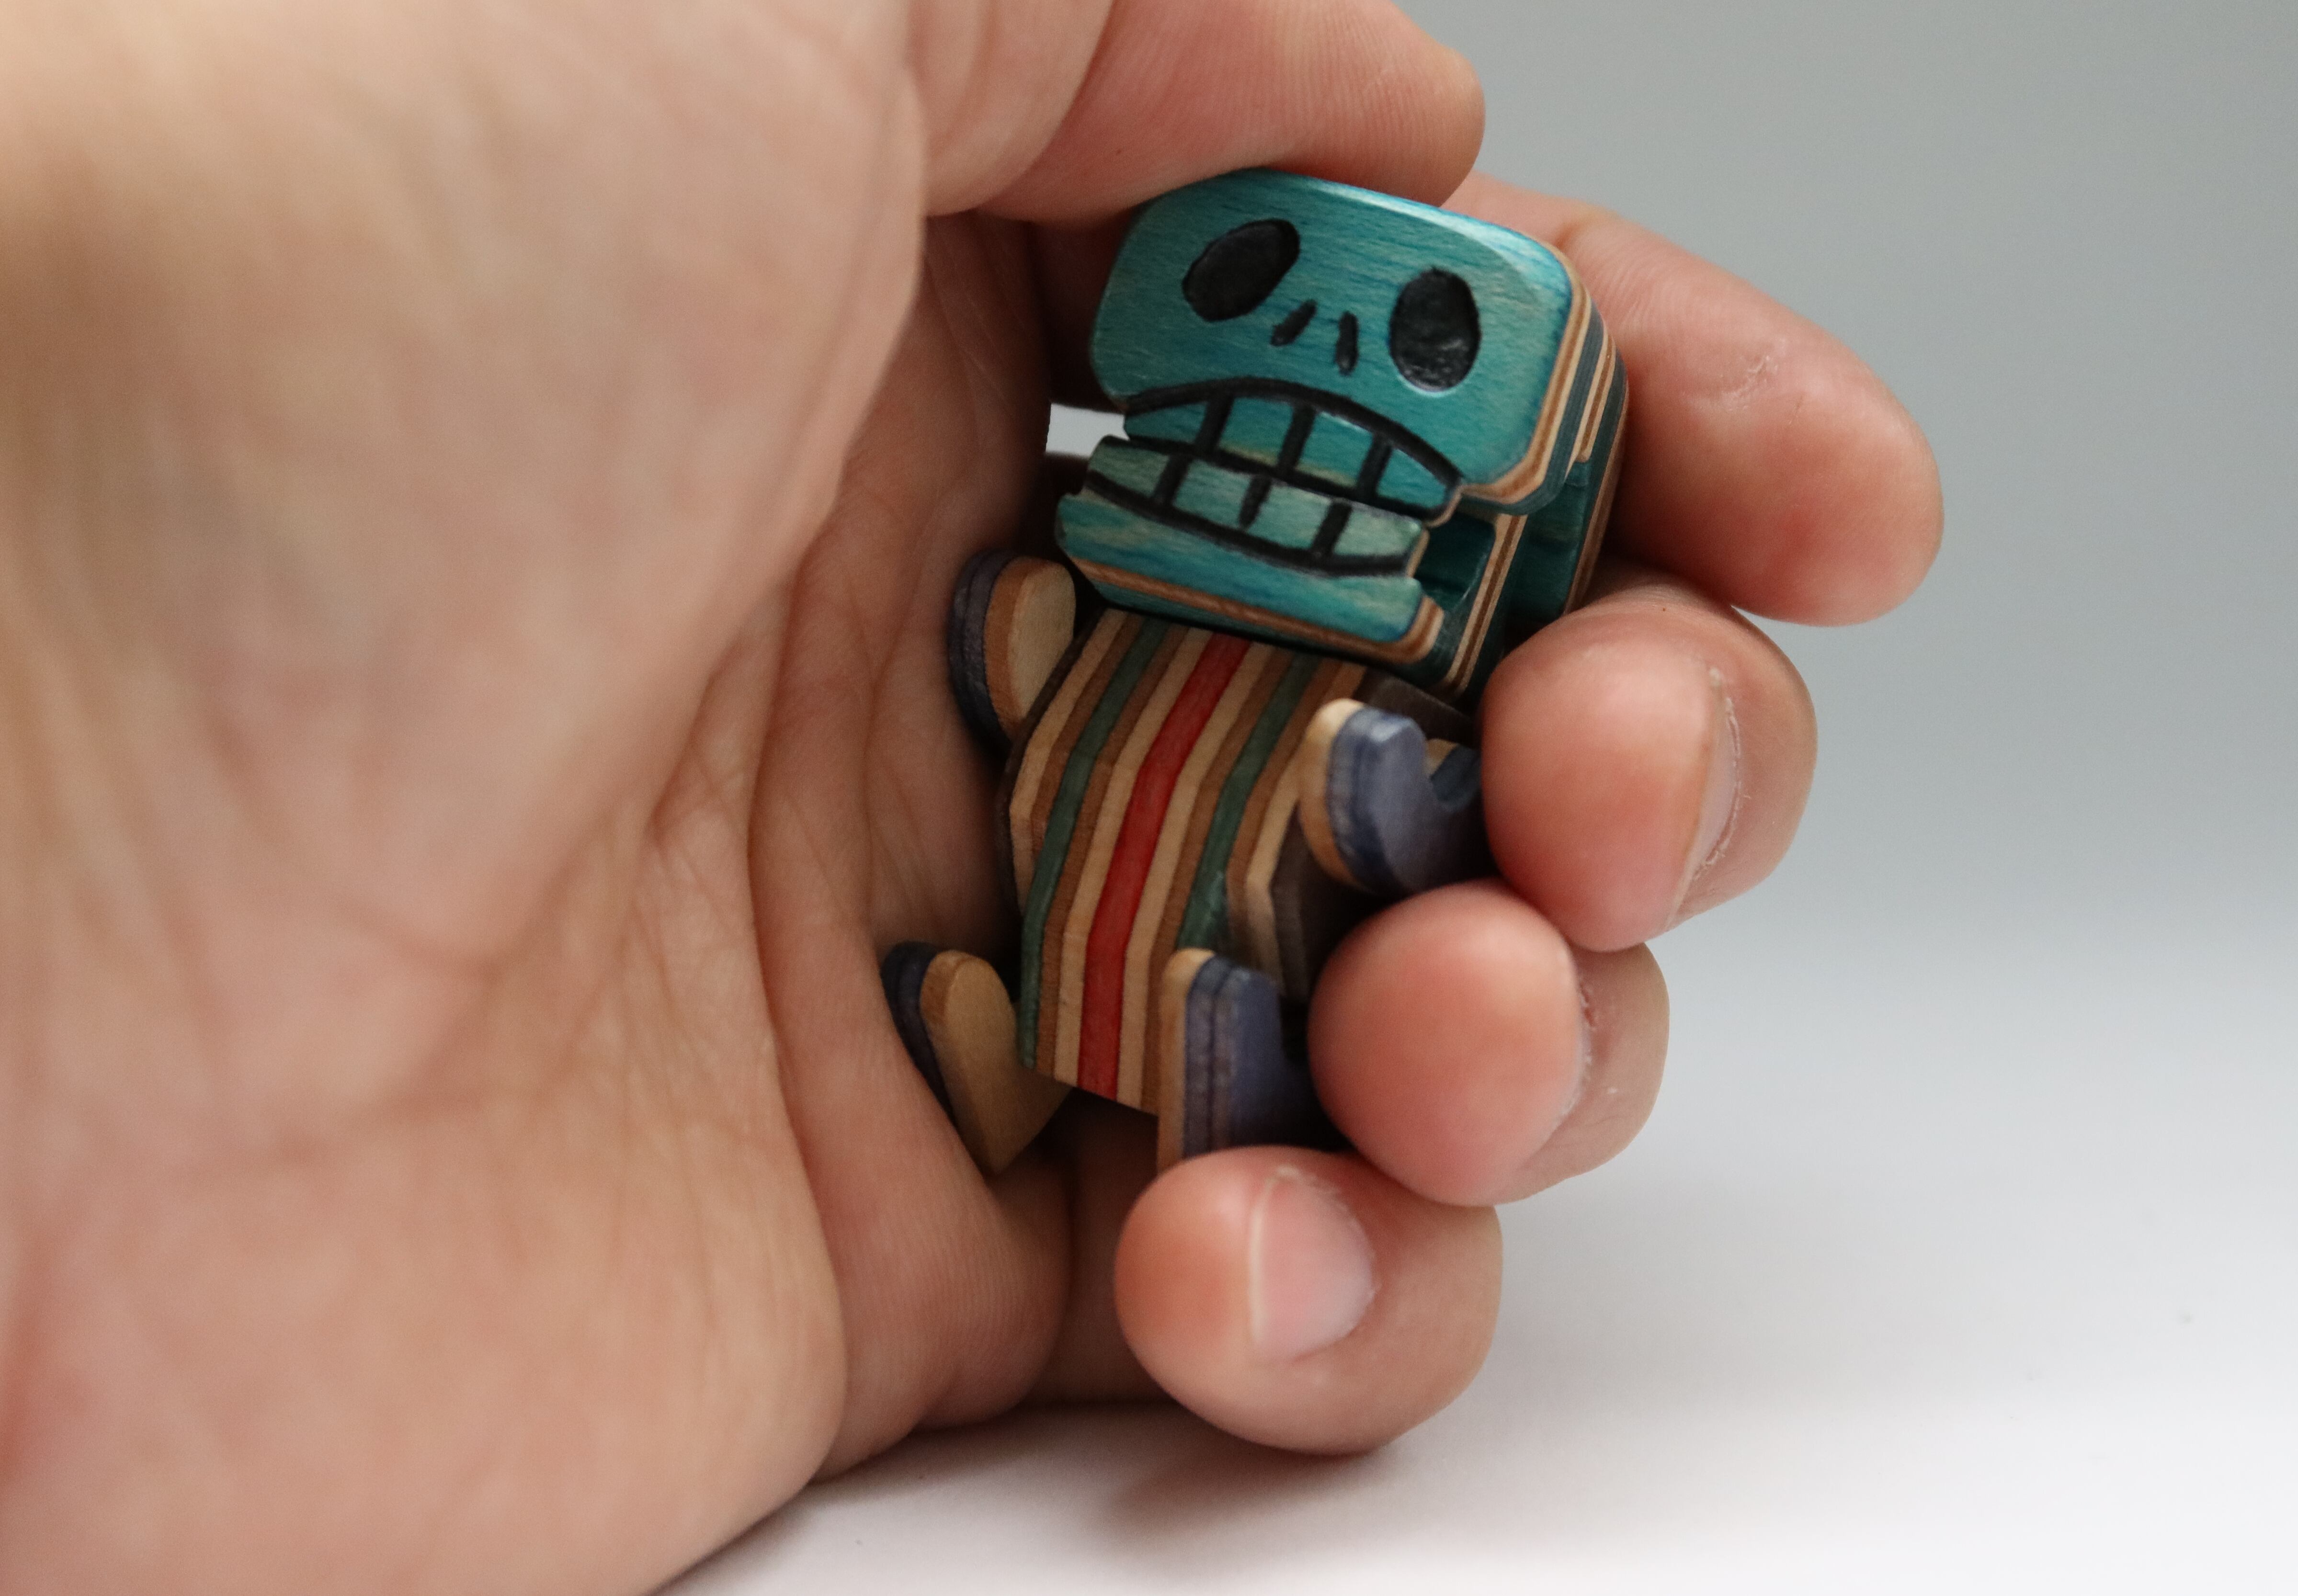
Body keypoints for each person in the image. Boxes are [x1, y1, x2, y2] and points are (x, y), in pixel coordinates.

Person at [0, 0, 1941, 1590]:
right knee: (1129, 870)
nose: (1328, 348)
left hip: (1248, 857)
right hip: (1080, 756)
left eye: (1422, 347)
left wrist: (1388, 785)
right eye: (1256, 288)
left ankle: (1130, 1079)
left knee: (1266, 990)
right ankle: (1014, 1069)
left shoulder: (1390, 646)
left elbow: (1418, 787)